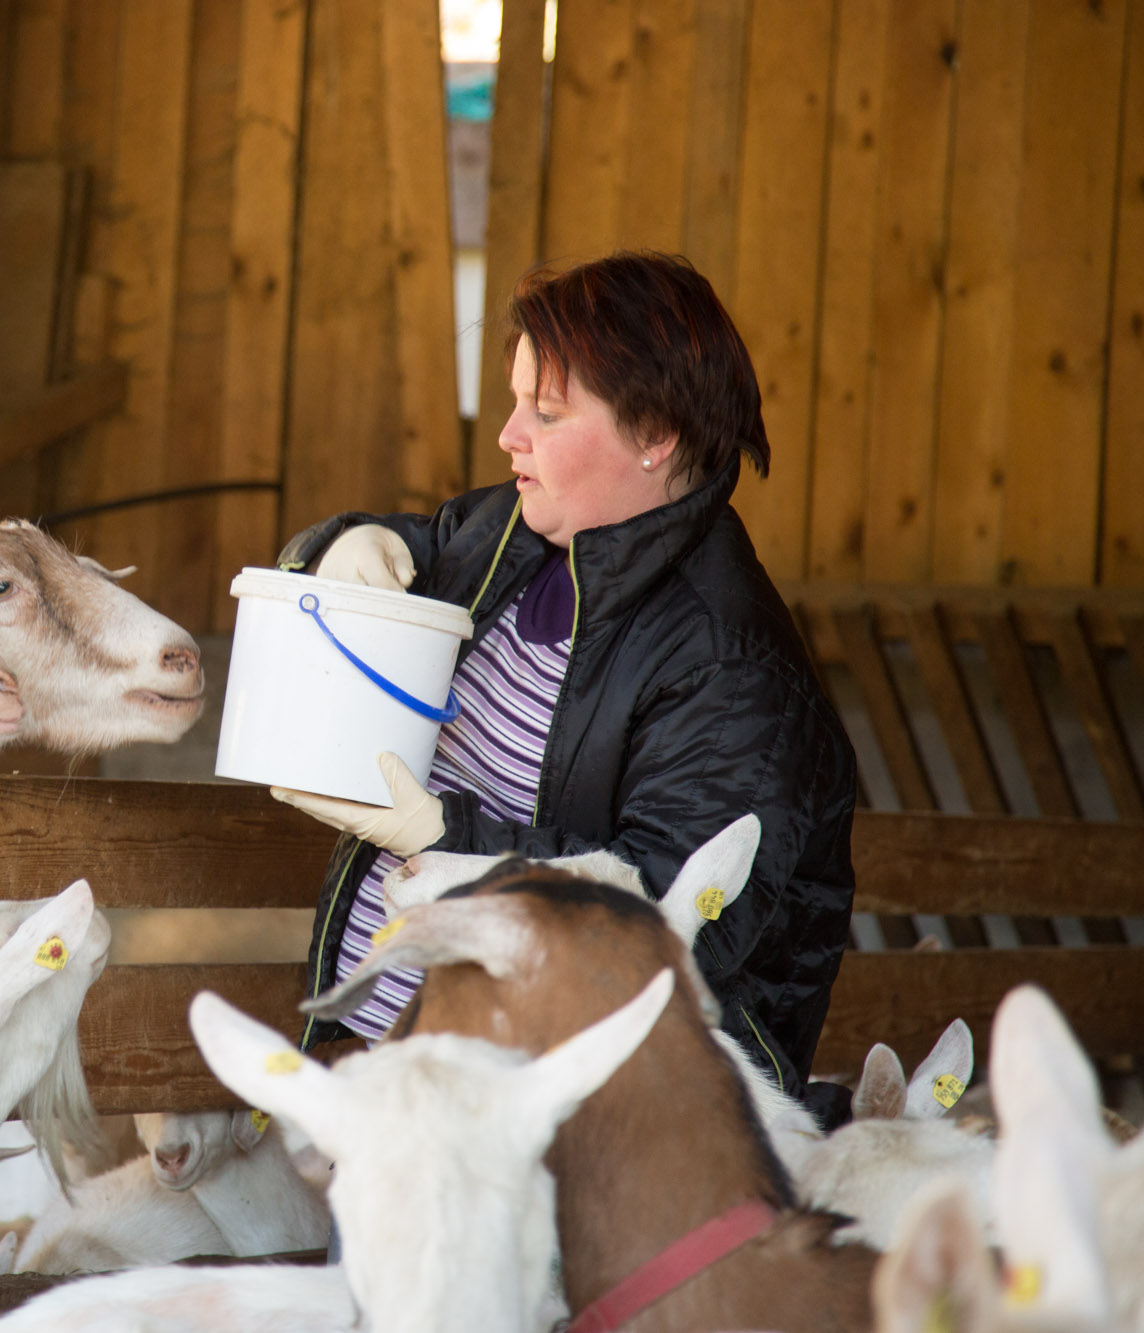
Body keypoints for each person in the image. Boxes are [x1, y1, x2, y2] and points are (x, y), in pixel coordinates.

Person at [273, 251, 856, 1111]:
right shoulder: (503, 531)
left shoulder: (731, 667)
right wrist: (331, 550)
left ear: (656, 436)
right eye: (516, 402)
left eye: (545, 412)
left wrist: (446, 837)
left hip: (577, 1119)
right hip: (386, 1061)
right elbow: (388, 551)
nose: (510, 436)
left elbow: (675, 911)